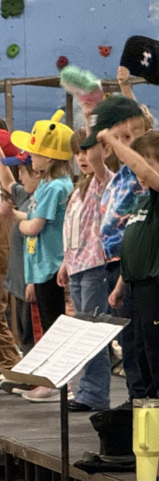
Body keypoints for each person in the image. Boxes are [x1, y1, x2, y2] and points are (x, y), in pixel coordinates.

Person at [106, 130, 159, 441]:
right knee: (139, 352)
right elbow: (135, 248)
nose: (138, 173)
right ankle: (151, 410)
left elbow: (140, 169)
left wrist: (115, 143)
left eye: (146, 165)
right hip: (138, 287)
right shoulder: (140, 204)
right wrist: (120, 287)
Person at [0, 111, 74, 403]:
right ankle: (49, 379)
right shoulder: (46, 185)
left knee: (54, 326)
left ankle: (56, 382)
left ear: (50, 157)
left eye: (34, 154)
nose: (29, 159)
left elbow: (34, 226)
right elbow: (30, 217)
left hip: (52, 267)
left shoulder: (56, 186)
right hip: (40, 268)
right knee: (44, 325)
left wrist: (14, 219)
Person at [96, 96, 149, 402]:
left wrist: (128, 89)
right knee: (127, 341)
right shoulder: (119, 180)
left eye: (131, 137)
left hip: (133, 267)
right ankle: (134, 400)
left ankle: (145, 402)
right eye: (119, 138)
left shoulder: (143, 177)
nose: (124, 143)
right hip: (113, 264)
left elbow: (134, 234)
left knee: (139, 342)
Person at [59, 128, 115, 412]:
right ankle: (88, 390)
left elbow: (99, 167)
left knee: (94, 332)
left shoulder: (102, 183)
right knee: (83, 331)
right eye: (77, 152)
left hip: (95, 266)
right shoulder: (78, 188)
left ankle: (94, 393)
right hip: (78, 267)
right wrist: (65, 263)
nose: (82, 158)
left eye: (86, 151)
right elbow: (73, 229)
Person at [2, 155, 39, 357]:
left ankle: (42, 382)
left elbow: (34, 227)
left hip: (32, 283)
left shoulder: (42, 197)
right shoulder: (26, 195)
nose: (20, 176)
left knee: (34, 335)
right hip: (20, 283)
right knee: (25, 335)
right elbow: (7, 181)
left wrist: (13, 215)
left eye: (24, 172)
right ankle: (29, 378)